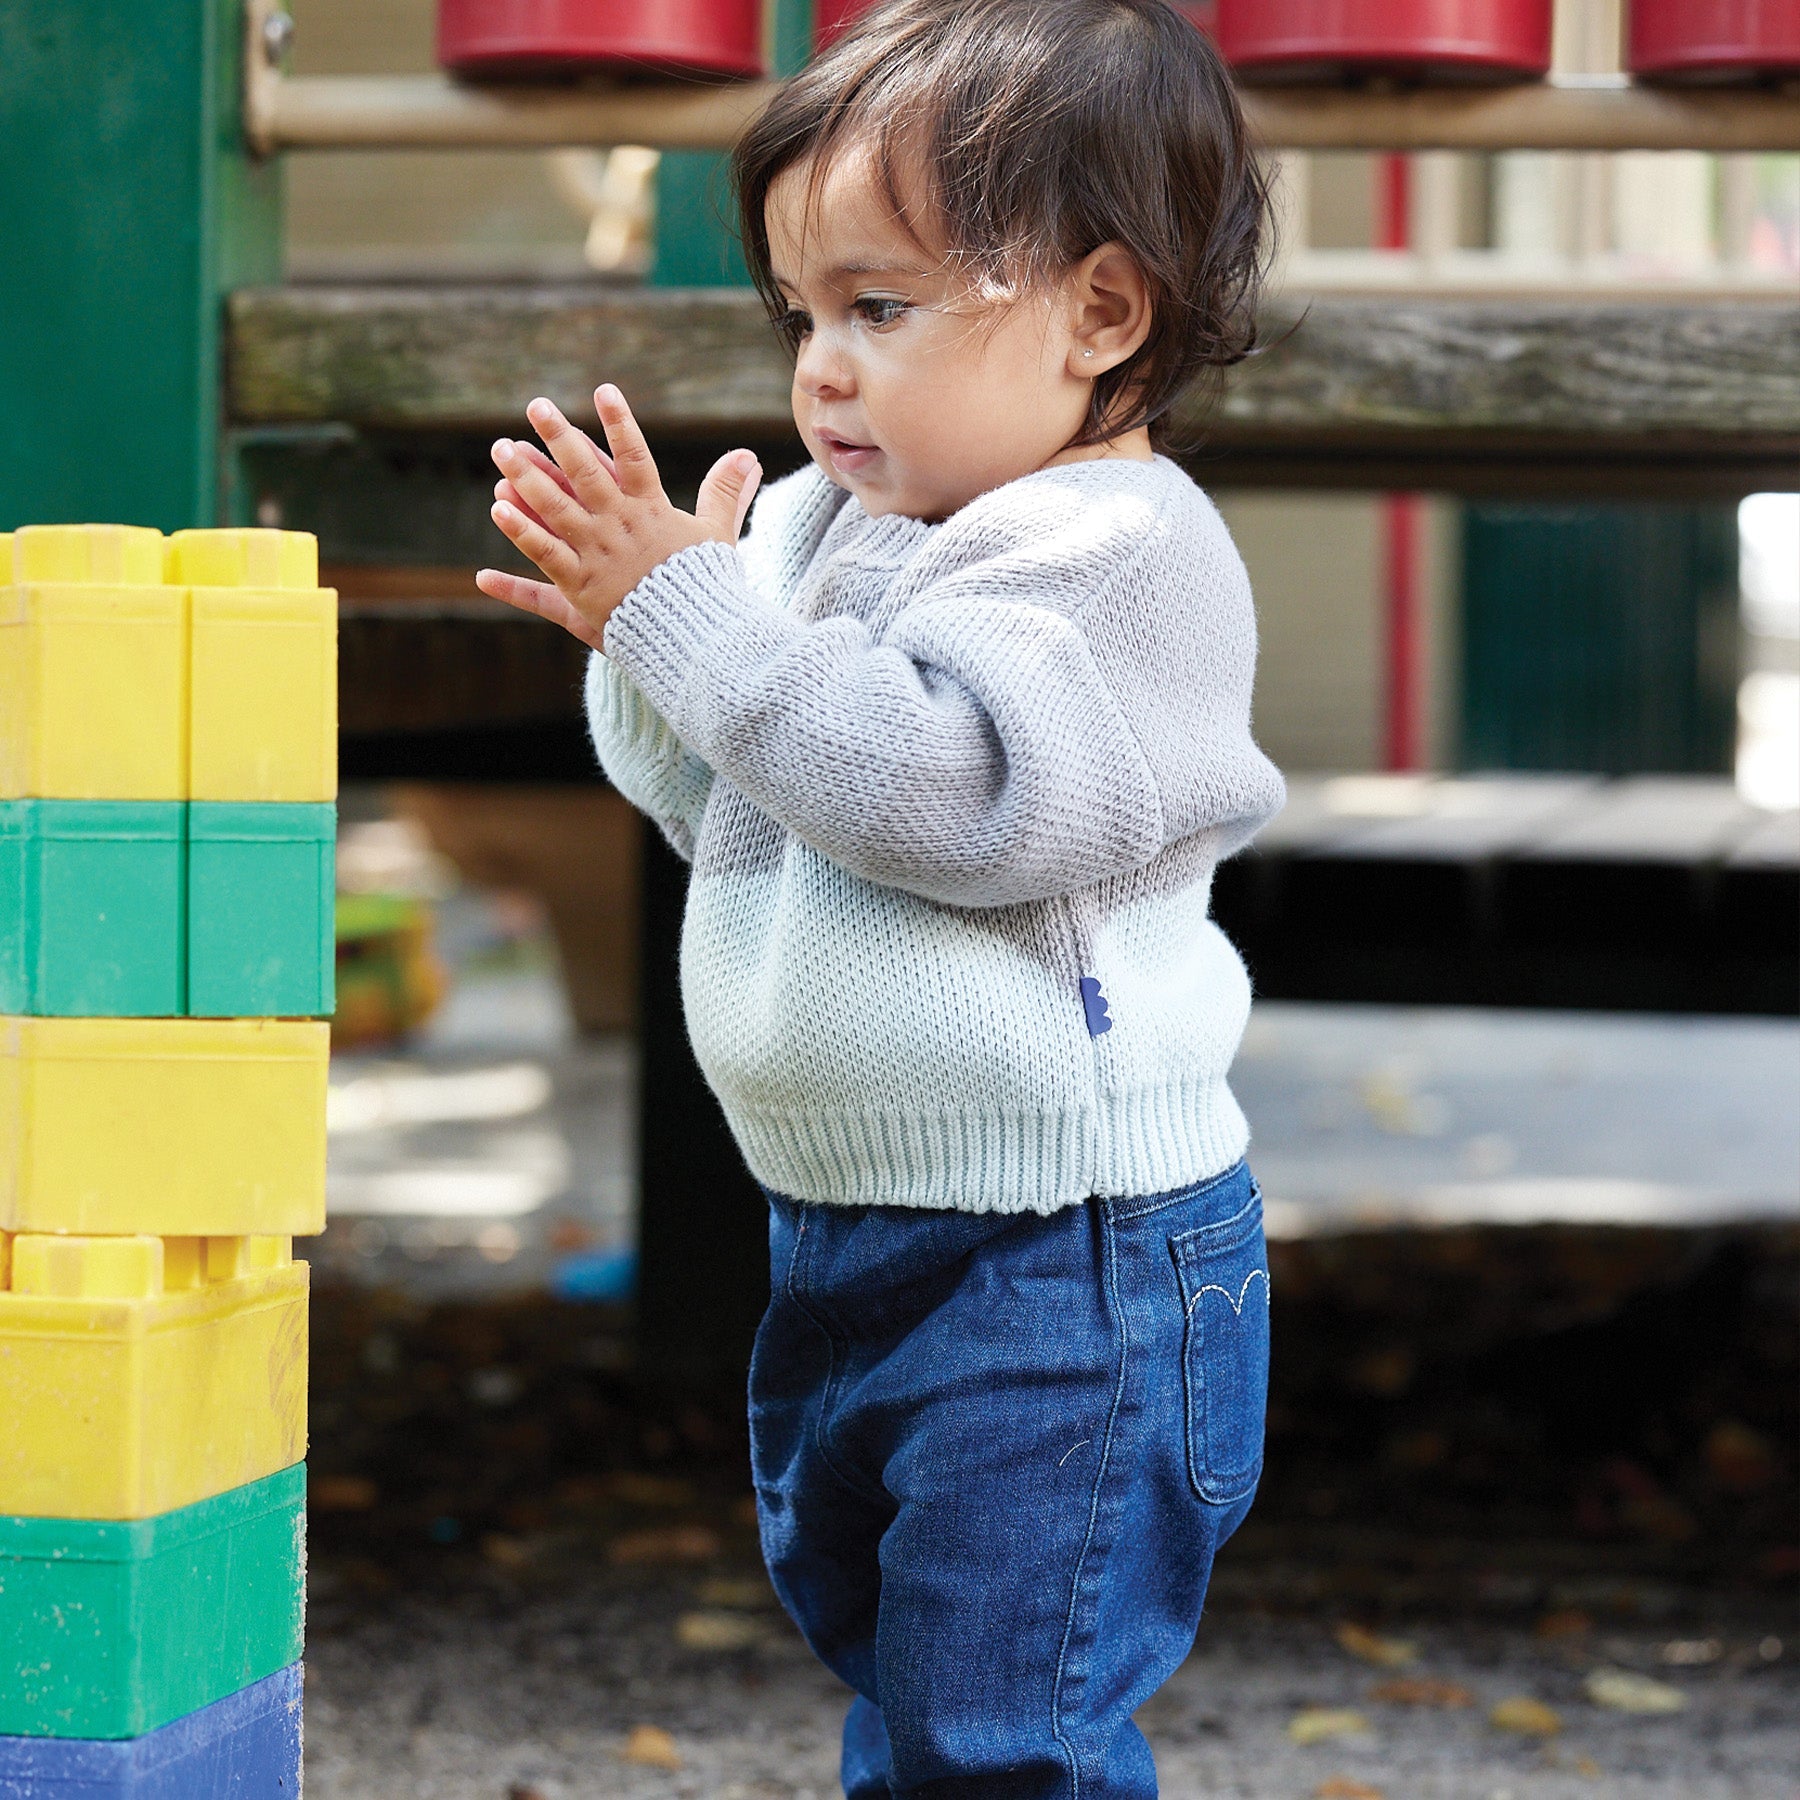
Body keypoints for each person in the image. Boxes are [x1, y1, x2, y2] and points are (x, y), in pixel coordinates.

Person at [476, 0, 1284, 1789]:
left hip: (1065, 1255)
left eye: (882, 308)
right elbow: (742, 803)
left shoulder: (1114, 555)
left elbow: (948, 797)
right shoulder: (853, 528)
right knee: (897, 1649)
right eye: (803, 317)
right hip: (847, 1222)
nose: (822, 368)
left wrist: (705, 623)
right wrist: (648, 639)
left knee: (1004, 1714)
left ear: (1100, 311)